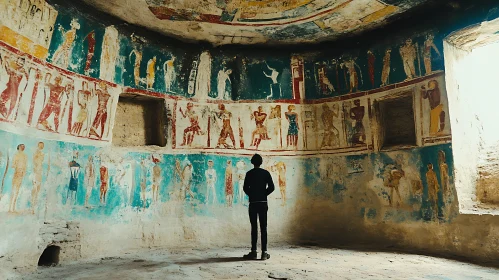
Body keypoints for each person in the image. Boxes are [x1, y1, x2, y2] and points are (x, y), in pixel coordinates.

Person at [242, 154, 275, 261]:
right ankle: (264, 253)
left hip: (253, 202)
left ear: (252, 162)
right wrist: (264, 194)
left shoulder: (249, 173)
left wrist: (252, 194)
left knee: (254, 227)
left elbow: (245, 188)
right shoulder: (265, 173)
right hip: (263, 202)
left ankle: (253, 252)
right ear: (261, 162)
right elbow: (272, 187)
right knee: (263, 227)